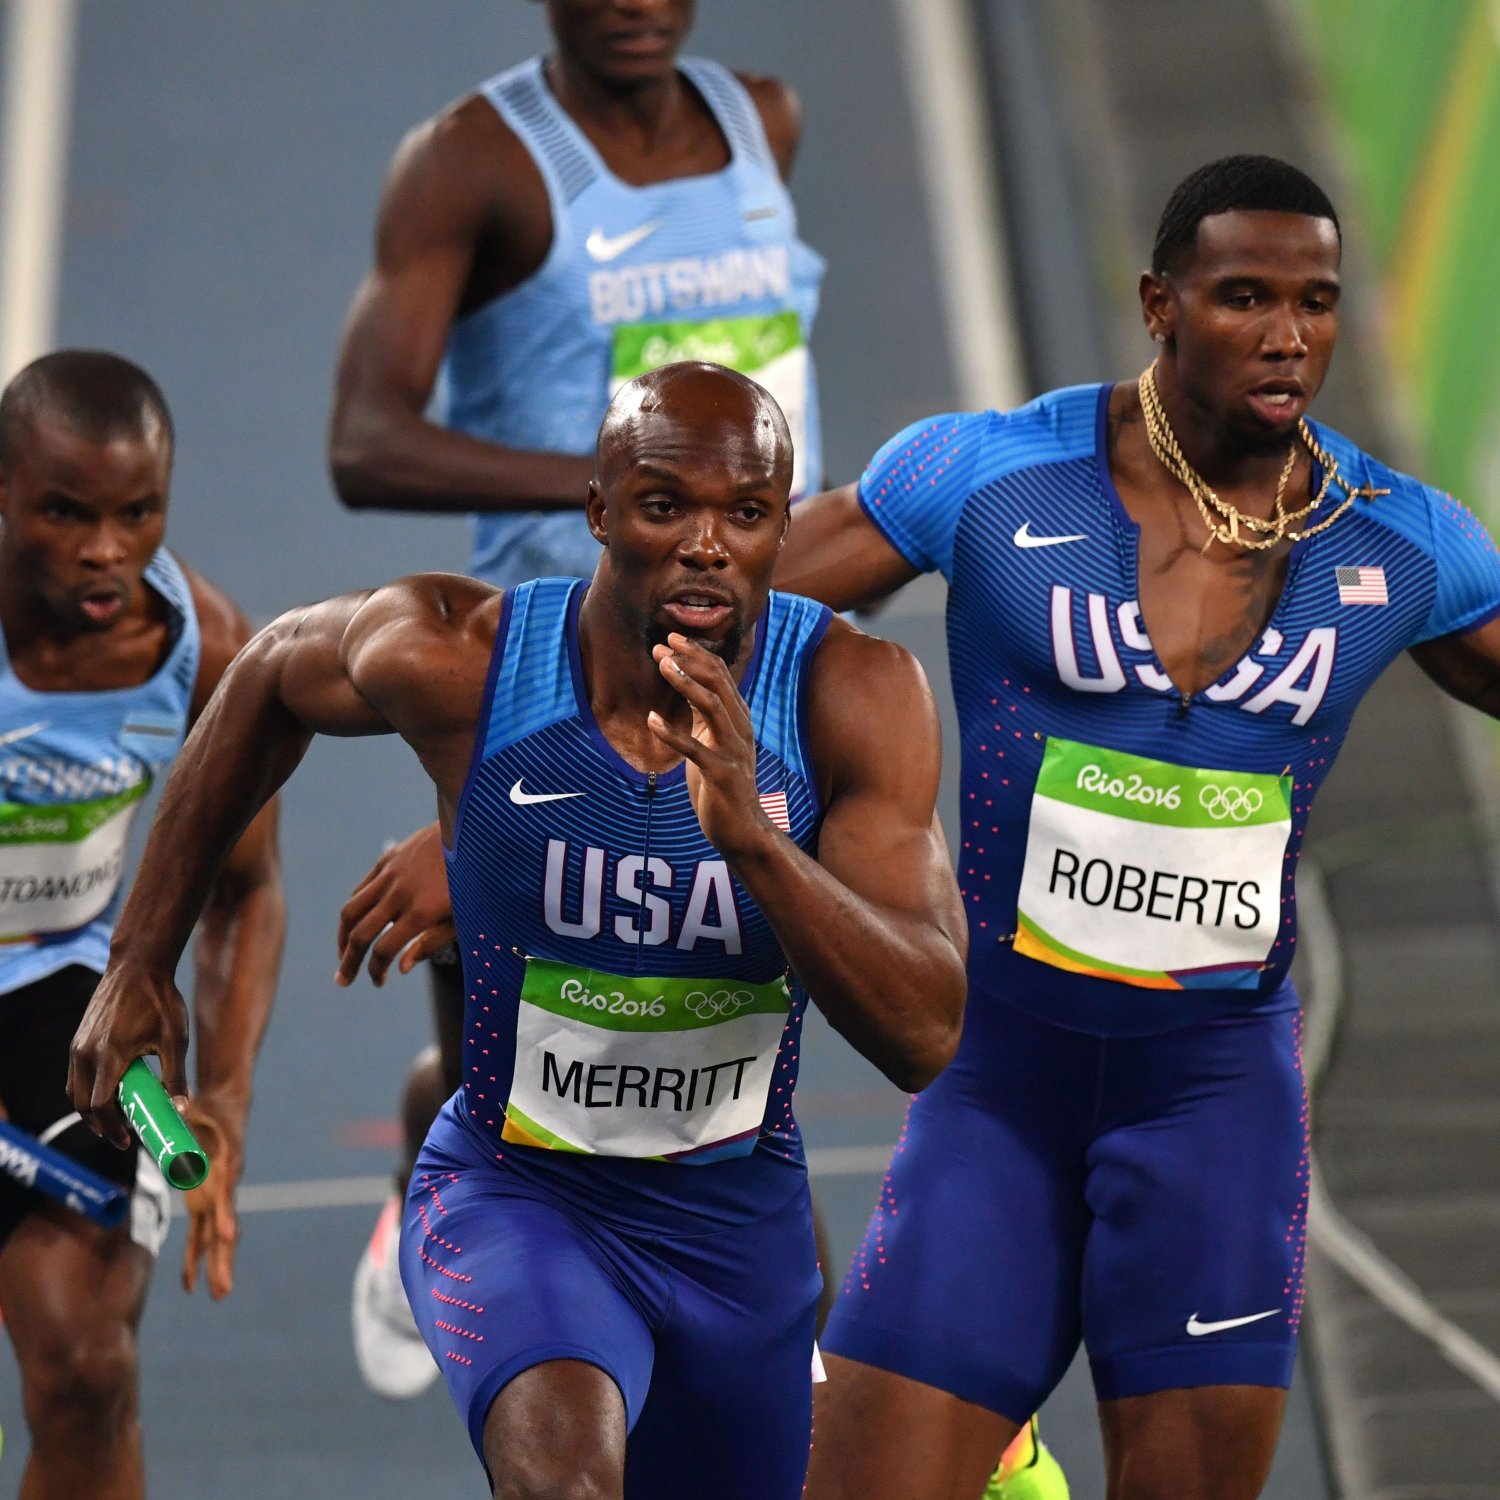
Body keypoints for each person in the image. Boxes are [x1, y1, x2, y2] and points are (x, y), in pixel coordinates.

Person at [70, 363, 967, 1498]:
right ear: (596, 511)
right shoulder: (464, 658)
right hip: (522, 1193)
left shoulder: (855, 696)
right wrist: (139, 961)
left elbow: (926, 1030)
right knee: (566, 1483)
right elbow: (267, 673)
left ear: (783, 523)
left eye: (744, 514)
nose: (705, 545)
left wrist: (758, 847)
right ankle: (421, 1163)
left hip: (739, 1226)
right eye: (662, 506)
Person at [768, 153, 1500, 1500]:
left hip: (1213, 1107)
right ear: (1161, 305)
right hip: (998, 1087)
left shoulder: (1403, 543)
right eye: (1244, 298)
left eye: (1318, 302)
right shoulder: (987, 475)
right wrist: (487, 784)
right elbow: (698, 616)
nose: (1288, 335)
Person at [326, 0, 827, 1395]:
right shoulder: (475, 162)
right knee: (525, 1073)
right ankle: (440, 1187)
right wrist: (636, 496)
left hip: (751, 665)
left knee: (727, 1053)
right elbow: (364, 441)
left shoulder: (763, 122)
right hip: (549, 682)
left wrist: (725, 525)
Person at [0, 351, 284, 1500]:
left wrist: (222, 1095)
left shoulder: (206, 651)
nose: (108, 550)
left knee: (87, 1369)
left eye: (138, 513)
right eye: (67, 512)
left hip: (70, 995)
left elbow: (245, 889)